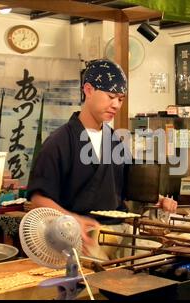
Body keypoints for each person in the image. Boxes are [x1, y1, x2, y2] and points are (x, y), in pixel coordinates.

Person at [27, 59, 177, 258]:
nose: (115, 105)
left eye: (120, 99)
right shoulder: (59, 142)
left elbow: (127, 186)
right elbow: (38, 198)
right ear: (88, 90)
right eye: (110, 96)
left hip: (117, 231)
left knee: (157, 260)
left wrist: (159, 200)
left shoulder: (114, 140)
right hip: (78, 237)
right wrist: (73, 219)